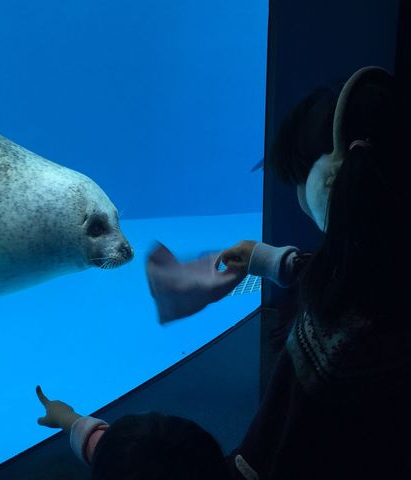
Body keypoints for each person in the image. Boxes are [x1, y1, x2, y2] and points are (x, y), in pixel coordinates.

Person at [36, 66, 411, 479]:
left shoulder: (329, 340)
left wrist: (80, 428)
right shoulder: (383, 279)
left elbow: (256, 461)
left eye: (299, 181)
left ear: (329, 183)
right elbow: (350, 274)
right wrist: (266, 260)